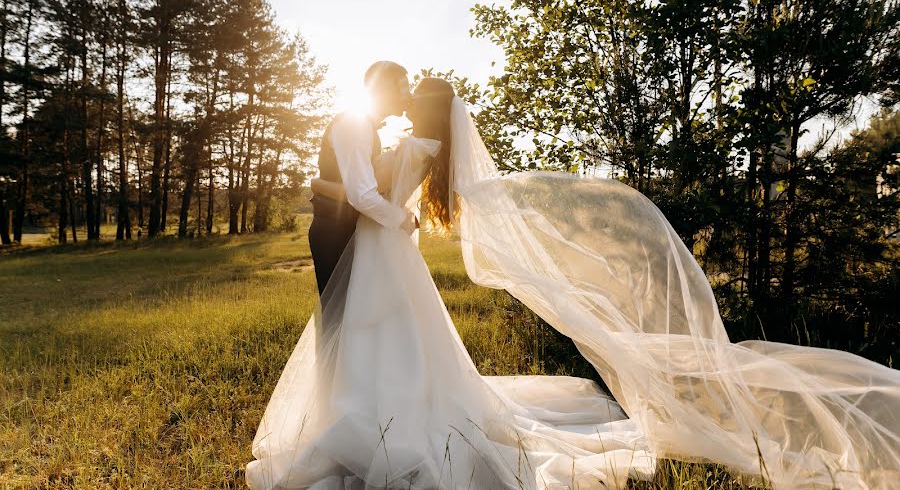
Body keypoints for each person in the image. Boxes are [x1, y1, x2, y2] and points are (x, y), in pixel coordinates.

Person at [247, 78, 900, 490]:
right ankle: (369, 414)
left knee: (380, 339)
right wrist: (397, 214)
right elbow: (376, 195)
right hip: (385, 251)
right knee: (388, 342)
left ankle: (374, 420)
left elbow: (373, 196)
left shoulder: (416, 145)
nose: (409, 93)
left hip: (383, 247)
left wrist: (398, 213)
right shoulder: (421, 144)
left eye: (415, 91)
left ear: (428, 108)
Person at [307, 61, 418, 296]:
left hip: (353, 228)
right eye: (405, 86)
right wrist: (401, 219)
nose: (410, 94)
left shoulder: (365, 126)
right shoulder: (354, 125)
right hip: (336, 233)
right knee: (341, 318)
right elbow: (362, 195)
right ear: (387, 90)